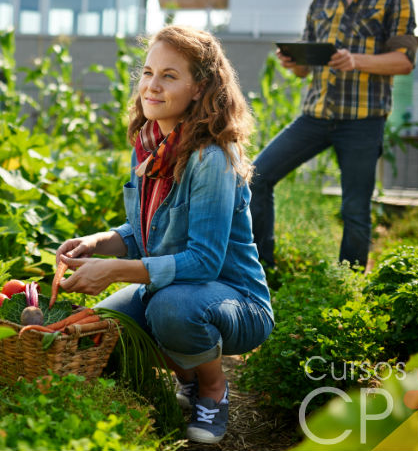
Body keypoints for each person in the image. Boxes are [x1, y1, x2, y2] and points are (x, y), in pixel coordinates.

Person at [55, 25, 274, 444]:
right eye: (148, 73)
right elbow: (146, 231)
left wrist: (115, 271)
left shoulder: (211, 158)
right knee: (104, 330)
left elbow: (204, 262)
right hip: (175, 289)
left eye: (169, 76)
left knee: (170, 310)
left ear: (200, 88)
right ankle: (187, 372)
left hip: (234, 299)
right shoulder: (152, 146)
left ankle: (211, 387)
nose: (152, 86)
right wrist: (98, 243)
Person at [249, 0, 418, 269]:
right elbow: (306, 68)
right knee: (256, 177)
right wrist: (293, 62)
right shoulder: (321, 3)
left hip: (362, 121)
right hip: (315, 116)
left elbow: (403, 61)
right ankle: (262, 270)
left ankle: (349, 283)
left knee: (355, 209)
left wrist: (355, 60)